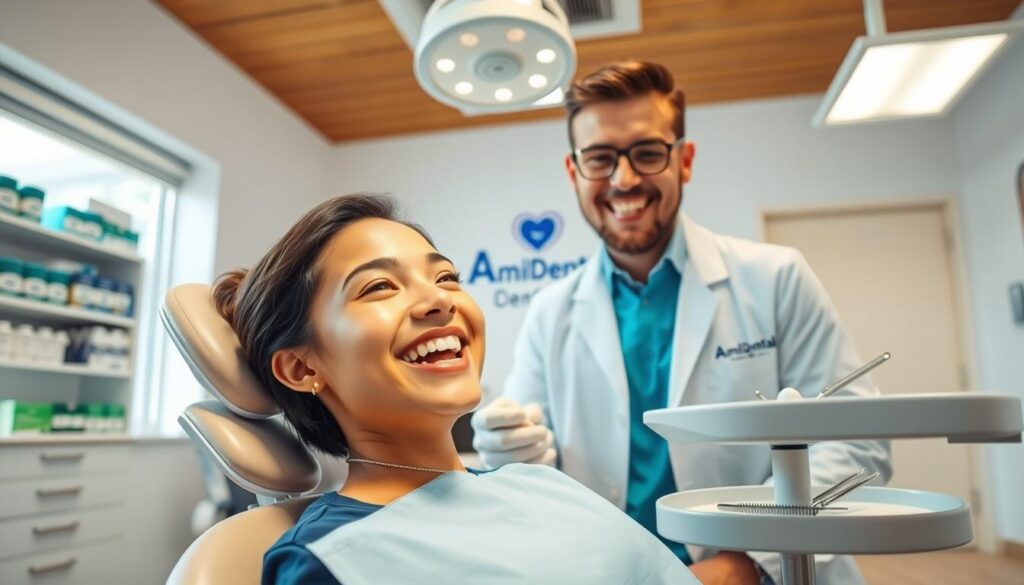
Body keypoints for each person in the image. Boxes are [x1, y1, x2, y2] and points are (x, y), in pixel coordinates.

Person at [470, 61, 893, 585]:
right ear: (573, 171)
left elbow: (857, 444)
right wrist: (510, 452)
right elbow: (533, 462)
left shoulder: (776, 277)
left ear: (684, 160)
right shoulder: (550, 312)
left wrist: (747, 564)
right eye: (600, 158)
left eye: (647, 153)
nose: (624, 180)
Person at [211, 194, 699, 585]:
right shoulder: (328, 561)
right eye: (379, 286)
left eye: (445, 277)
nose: (438, 300)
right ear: (299, 367)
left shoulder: (538, 482)